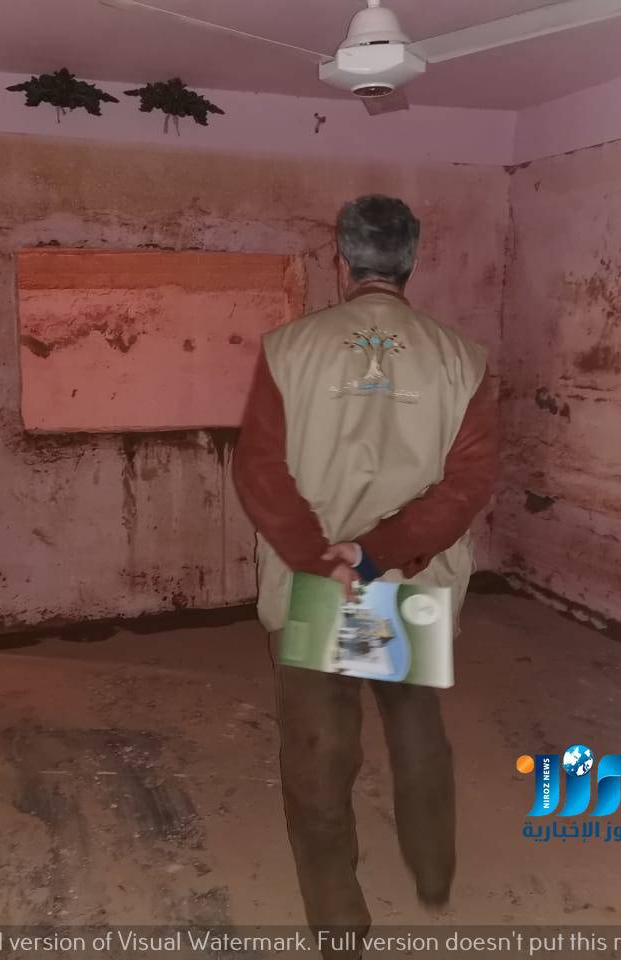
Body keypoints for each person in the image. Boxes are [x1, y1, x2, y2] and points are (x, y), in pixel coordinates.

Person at [232, 195, 498, 955]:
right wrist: (376, 555)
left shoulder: (289, 348)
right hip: (406, 584)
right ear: (413, 260)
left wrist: (326, 560)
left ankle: (339, 923)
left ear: (341, 260)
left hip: (319, 587)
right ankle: (432, 870)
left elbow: (259, 472)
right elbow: (467, 486)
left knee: (320, 756)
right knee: (412, 727)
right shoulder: (462, 359)